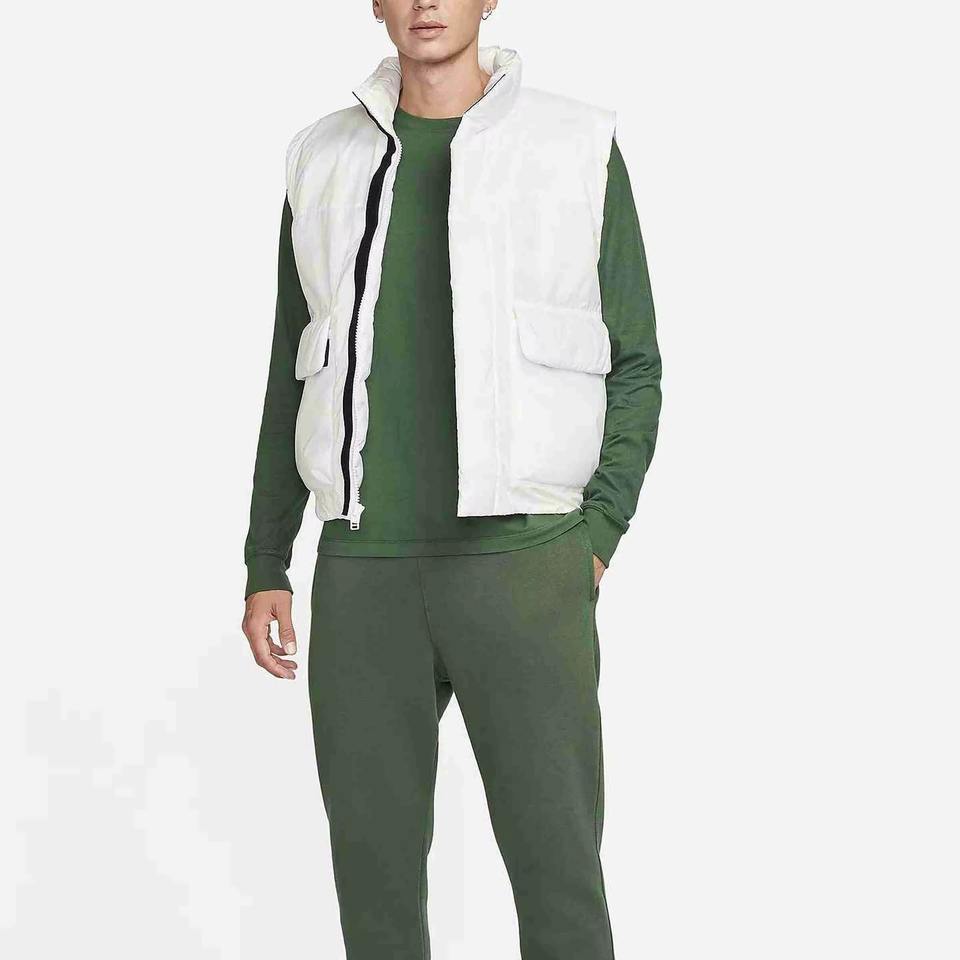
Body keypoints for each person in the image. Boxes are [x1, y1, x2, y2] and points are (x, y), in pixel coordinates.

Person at [241, 2, 661, 956]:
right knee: (376, 896)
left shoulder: (575, 143)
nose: (426, 2)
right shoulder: (320, 157)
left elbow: (636, 360)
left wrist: (595, 535)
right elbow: (290, 367)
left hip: (525, 567)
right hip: (364, 573)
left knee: (560, 887)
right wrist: (268, 558)